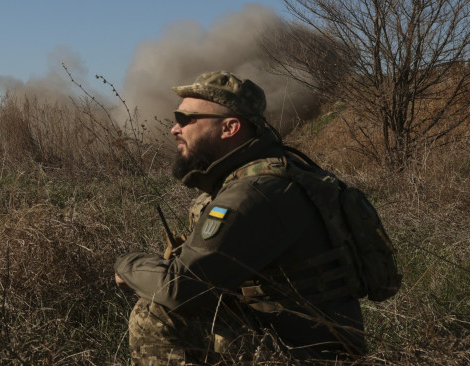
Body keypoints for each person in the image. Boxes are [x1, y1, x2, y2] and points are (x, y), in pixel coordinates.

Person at [114, 71, 366, 364]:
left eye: (185, 119)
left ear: (230, 127)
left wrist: (126, 262)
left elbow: (179, 288)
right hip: (311, 344)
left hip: (306, 355)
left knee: (155, 312)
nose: (174, 129)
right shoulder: (275, 173)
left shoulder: (256, 192)